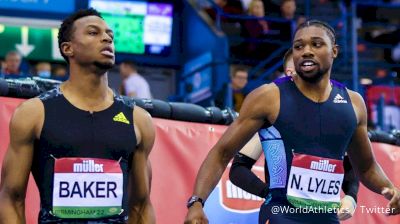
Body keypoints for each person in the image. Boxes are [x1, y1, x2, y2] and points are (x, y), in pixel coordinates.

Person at [184, 20, 400, 224]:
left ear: (334, 51)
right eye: (299, 46)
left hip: (327, 218)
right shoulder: (269, 97)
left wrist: (389, 188)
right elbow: (221, 154)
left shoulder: (354, 103)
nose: (306, 51)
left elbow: (366, 167)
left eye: (316, 44)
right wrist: (196, 202)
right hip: (280, 216)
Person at [0, 8, 155, 224]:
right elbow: (11, 198)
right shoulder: (33, 114)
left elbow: (141, 205)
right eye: (93, 33)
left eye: (110, 36)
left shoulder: (139, 120)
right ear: (68, 48)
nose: (106, 39)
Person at [229, 48, 359, 222]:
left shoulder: (335, 118)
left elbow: (351, 168)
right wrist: (270, 194)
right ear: (289, 73)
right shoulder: (272, 118)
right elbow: (238, 168)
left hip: (323, 216)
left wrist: (351, 197)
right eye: (299, 68)